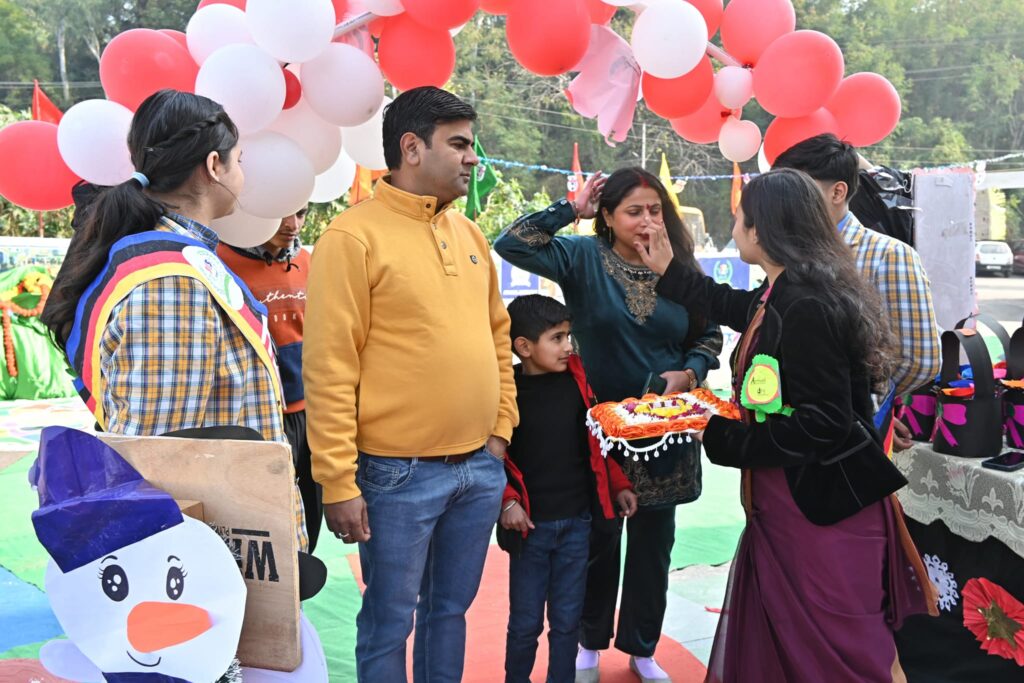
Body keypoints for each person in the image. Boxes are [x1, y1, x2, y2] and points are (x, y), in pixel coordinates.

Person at [635, 168, 937, 683]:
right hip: (790, 500)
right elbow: (732, 305)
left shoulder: (809, 304)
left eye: (739, 218)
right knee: (793, 645)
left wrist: (719, 432)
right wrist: (671, 270)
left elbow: (824, 423)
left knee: (835, 654)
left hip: (820, 509)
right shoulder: (785, 290)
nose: (734, 228)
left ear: (763, 230)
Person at [302, 86, 516, 683]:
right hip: (396, 475)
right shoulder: (351, 237)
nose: (472, 158)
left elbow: (498, 336)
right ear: (412, 148)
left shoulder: (469, 235)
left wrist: (500, 431)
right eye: (459, 144)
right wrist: (337, 481)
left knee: (450, 612)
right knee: (389, 621)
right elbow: (330, 366)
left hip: (479, 468)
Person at [40, 88, 308, 551]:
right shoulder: (171, 282)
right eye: (239, 161)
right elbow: (159, 459)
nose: (242, 174)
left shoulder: (176, 260)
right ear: (214, 166)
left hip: (220, 540)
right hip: (207, 558)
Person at [494, 168, 723, 683]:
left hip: (664, 432)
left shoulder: (680, 266)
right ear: (608, 216)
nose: (647, 221)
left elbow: (709, 335)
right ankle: (589, 642)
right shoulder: (582, 257)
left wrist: (690, 373)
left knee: (653, 546)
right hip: (595, 432)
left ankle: (643, 648)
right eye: (634, 211)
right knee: (596, 542)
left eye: (655, 210)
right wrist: (568, 209)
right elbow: (511, 244)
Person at [500, 294, 639, 683]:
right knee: (525, 624)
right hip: (530, 531)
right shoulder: (506, 392)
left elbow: (596, 446)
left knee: (567, 623)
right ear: (524, 347)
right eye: (557, 338)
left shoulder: (578, 384)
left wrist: (618, 485)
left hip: (578, 525)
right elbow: (493, 459)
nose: (568, 346)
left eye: (568, 336)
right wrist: (507, 502)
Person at [772, 134, 940, 451]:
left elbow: (921, 358)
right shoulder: (786, 253)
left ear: (838, 192)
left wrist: (869, 406)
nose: (786, 202)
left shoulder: (889, 255)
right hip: (793, 430)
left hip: (852, 442)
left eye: (799, 190)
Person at [218, 207, 322, 551]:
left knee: (311, 516)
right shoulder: (219, 260)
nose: (293, 225)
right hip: (256, 415)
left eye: (301, 214)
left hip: (312, 412)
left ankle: (302, 584)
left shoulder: (308, 261)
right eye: (282, 214)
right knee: (265, 522)